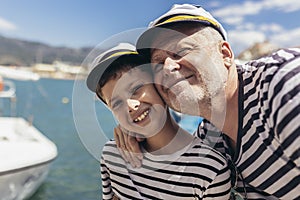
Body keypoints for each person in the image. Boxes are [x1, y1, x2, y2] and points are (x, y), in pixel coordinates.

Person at [114, 4, 300, 199]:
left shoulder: (283, 88)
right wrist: (137, 128)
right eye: (158, 63)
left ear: (225, 55)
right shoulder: (210, 138)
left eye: (181, 51)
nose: (168, 68)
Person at [86, 43, 232, 199]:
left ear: (159, 84)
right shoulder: (112, 155)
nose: (130, 106)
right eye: (117, 103)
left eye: (136, 89)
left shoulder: (210, 168)